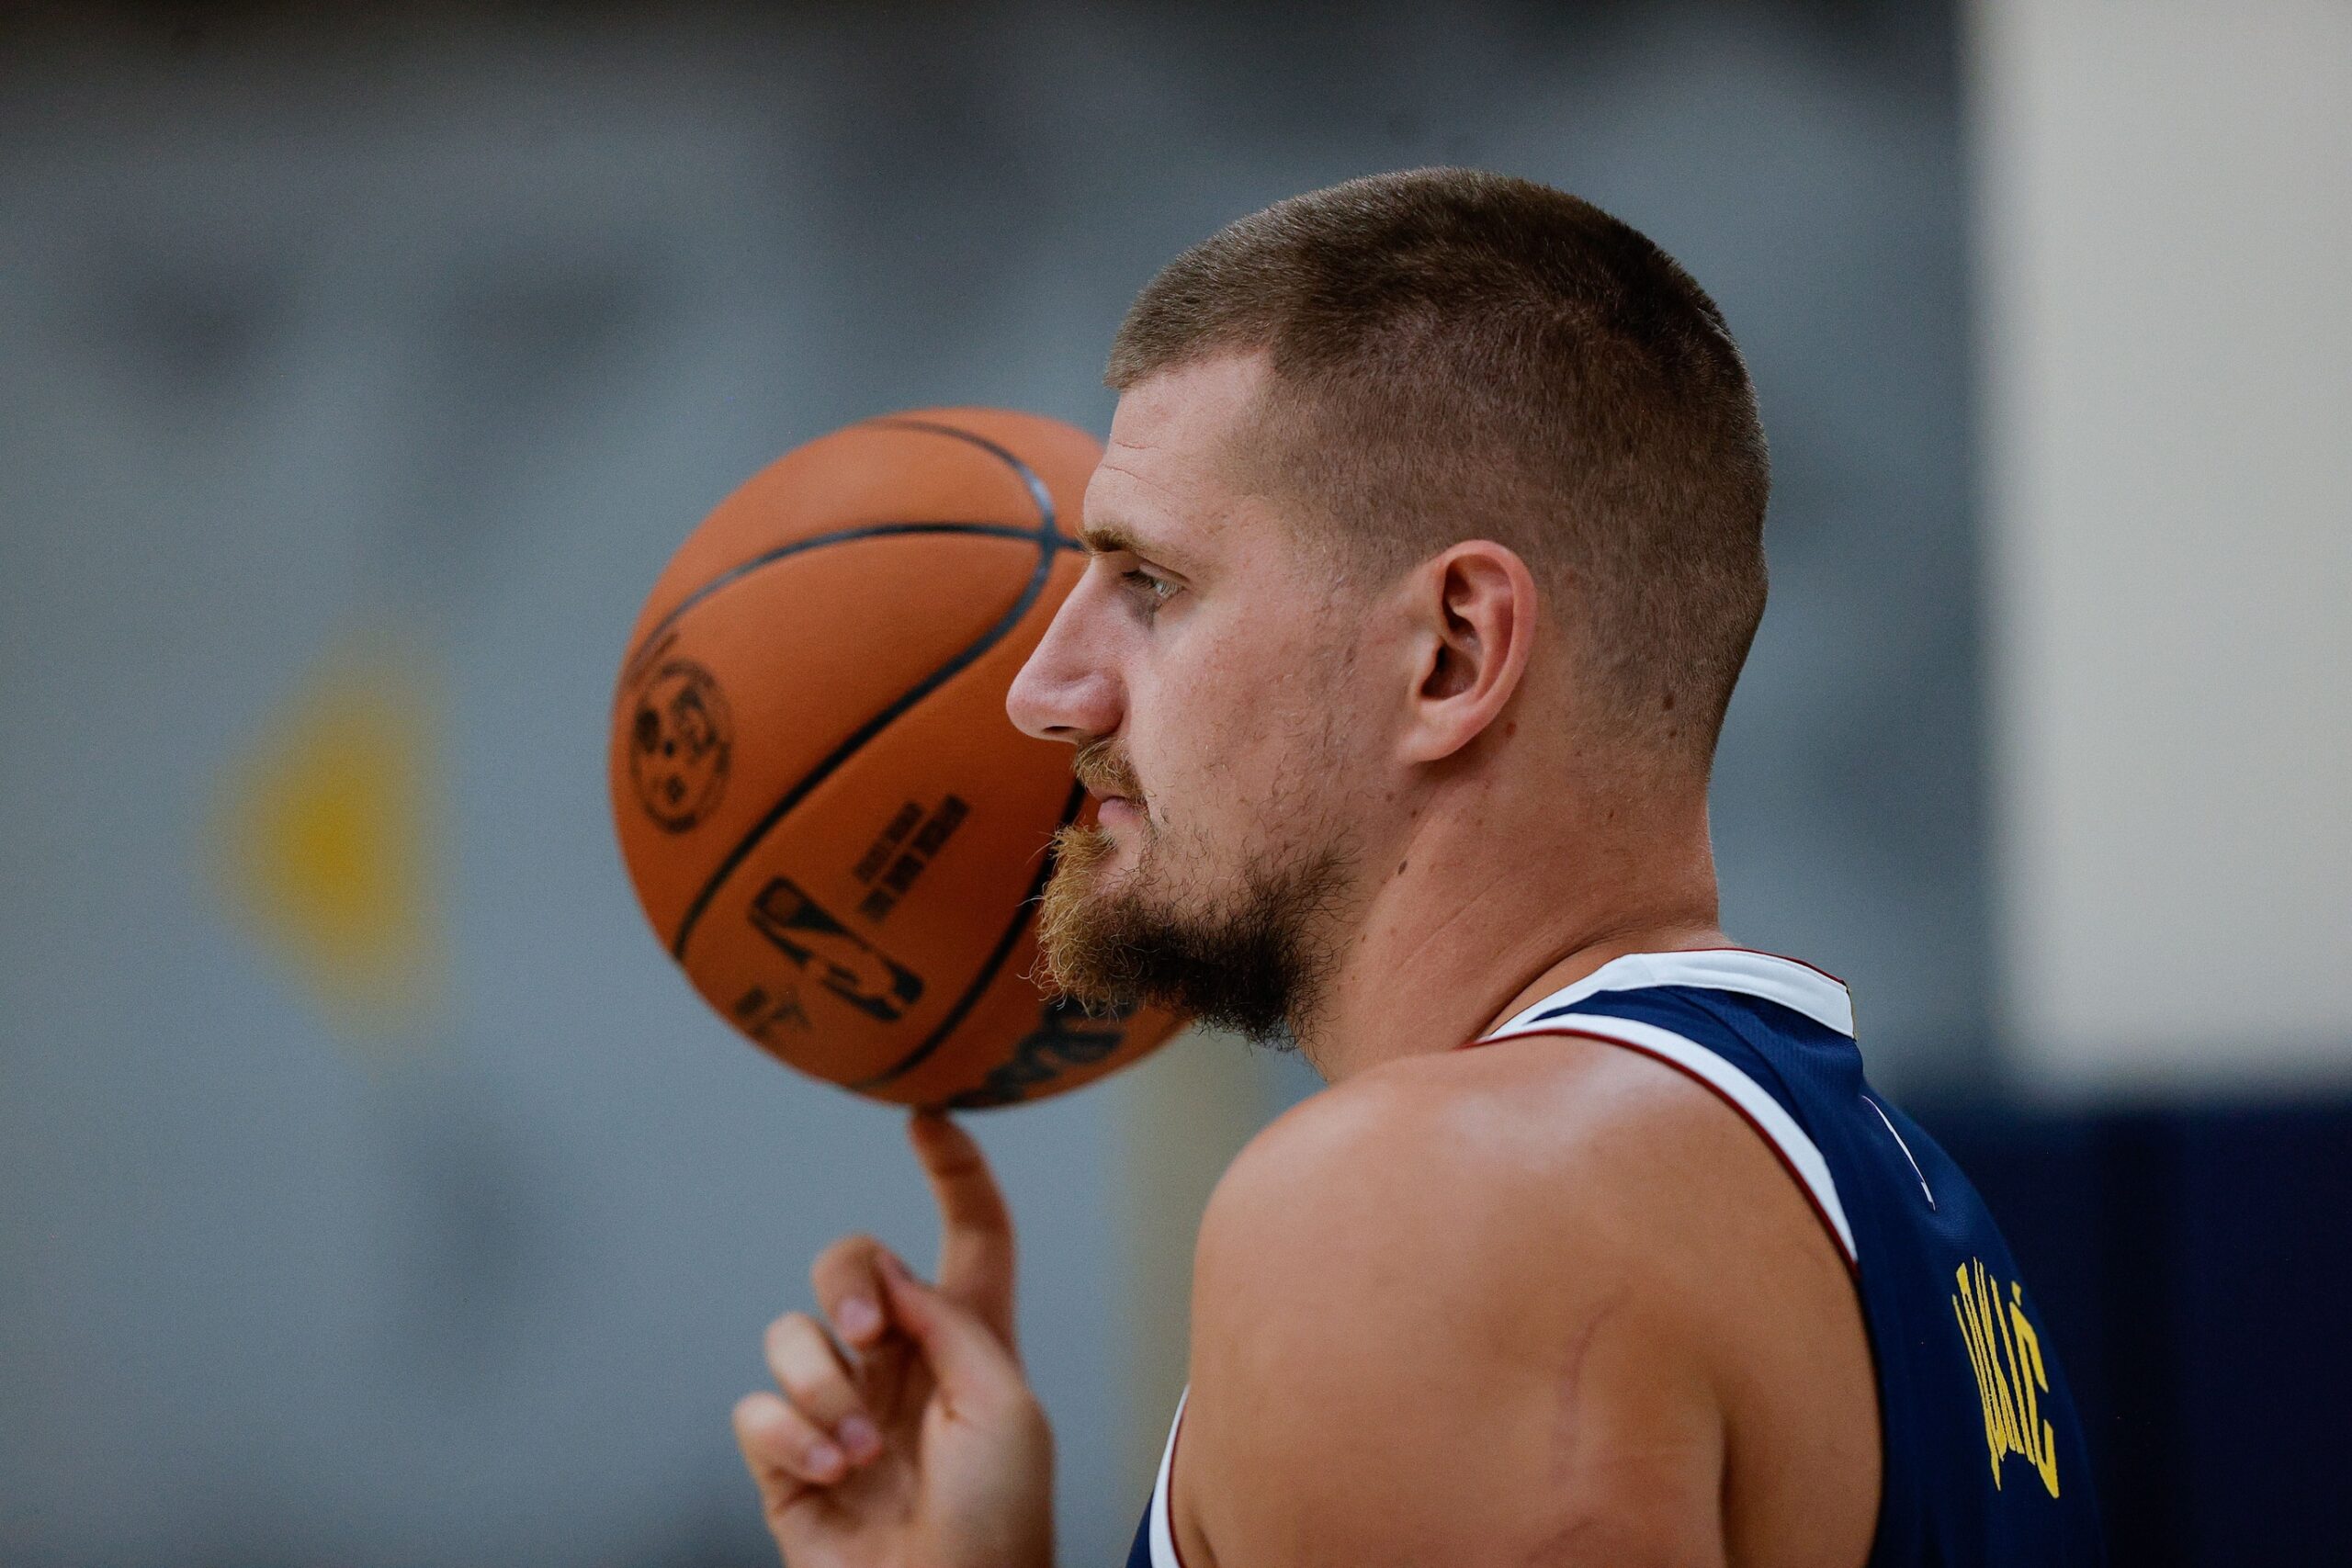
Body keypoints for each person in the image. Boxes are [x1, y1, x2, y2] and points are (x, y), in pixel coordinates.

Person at [730, 169, 2105, 1568]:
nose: (1047, 690)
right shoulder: (1901, 1208)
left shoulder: (1419, 1212)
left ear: (1449, 651)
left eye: (1149, 582)